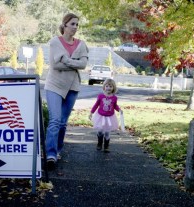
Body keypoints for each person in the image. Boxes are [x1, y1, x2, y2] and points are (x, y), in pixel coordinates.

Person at [44, 13, 89, 170]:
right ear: (64, 25)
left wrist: (66, 60)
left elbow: (83, 64)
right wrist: (74, 63)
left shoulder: (81, 44)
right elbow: (55, 66)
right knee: (55, 120)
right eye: (72, 24)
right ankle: (50, 154)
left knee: (63, 123)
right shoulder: (55, 42)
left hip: (72, 86)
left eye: (77, 24)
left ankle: (57, 150)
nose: (75, 27)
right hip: (54, 85)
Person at [89, 78, 122, 153]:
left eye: (110, 86)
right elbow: (96, 105)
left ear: (113, 88)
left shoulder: (114, 98)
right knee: (100, 131)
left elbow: (115, 106)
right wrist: (91, 112)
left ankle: (106, 146)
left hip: (110, 117)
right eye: (107, 86)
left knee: (107, 132)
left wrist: (119, 110)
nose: (108, 88)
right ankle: (99, 143)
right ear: (104, 87)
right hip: (100, 116)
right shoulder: (101, 96)